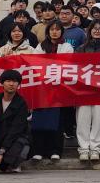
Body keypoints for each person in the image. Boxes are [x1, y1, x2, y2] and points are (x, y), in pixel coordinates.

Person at [30, 22, 74, 162]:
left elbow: (67, 64)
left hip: (60, 88)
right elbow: (36, 64)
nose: (55, 32)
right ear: (48, 32)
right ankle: (38, 150)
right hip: (42, 88)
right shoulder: (40, 46)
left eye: (57, 29)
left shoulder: (67, 47)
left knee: (57, 120)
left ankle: (55, 150)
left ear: (62, 32)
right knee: (40, 119)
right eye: (52, 29)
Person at [76, 22, 100, 160]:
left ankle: (95, 148)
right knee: (82, 120)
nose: (97, 31)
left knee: (98, 120)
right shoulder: (81, 49)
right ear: (89, 31)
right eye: (94, 29)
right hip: (84, 90)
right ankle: (83, 149)